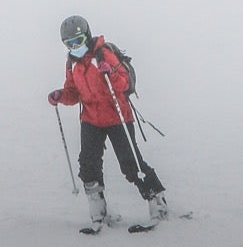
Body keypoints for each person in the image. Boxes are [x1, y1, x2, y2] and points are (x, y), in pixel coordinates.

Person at [48, 15, 168, 227]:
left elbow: (124, 84)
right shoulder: (72, 64)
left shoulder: (103, 55)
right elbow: (73, 92)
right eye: (69, 44)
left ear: (87, 36)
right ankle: (99, 213)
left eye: (78, 41)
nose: (75, 47)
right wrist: (61, 95)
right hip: (91, 119)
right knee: (88, 164)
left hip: (117, 117)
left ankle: (158, 204)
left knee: (131, 163)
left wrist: (110, 73)